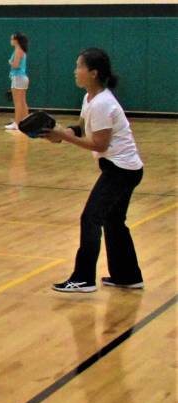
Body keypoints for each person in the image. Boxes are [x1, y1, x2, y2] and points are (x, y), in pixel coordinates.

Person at [41, 48, 144, 293]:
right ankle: (127, 276)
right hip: (125, 168)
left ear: (93, 73)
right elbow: (81, 128)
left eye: (79, 66)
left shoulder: (102, 103)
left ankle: (83, 278)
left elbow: (99, 144)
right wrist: (61, 134)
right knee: (114, 221)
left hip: (120, 170)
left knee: (91, 218)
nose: (75, 71)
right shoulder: (90, 99)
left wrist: (63, 138)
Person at [5, 32, 29, 131]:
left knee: (18, 102)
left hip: (18, 77)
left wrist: (10, 62)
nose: (10, 41)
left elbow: (16, 65)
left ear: (16, 40)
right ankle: (26, 122)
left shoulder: (18, 50)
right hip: (22, 78)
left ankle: (17, 123)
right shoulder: (20, 50)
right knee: (23, 101)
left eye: (12, 39)